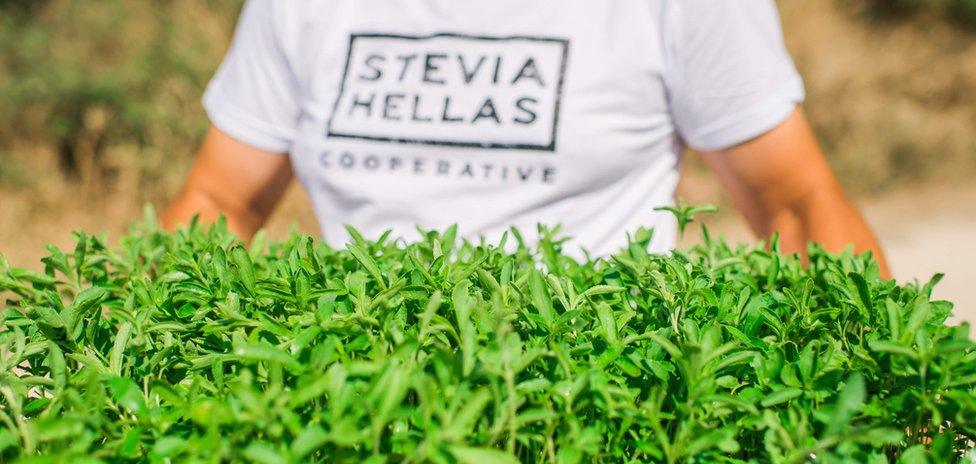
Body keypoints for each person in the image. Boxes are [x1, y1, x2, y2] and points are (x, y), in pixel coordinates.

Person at [161, 0, 889, 274]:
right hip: (358, 417)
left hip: (596, 422)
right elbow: (220, 199)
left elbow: (796, 202)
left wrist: (889, 400)